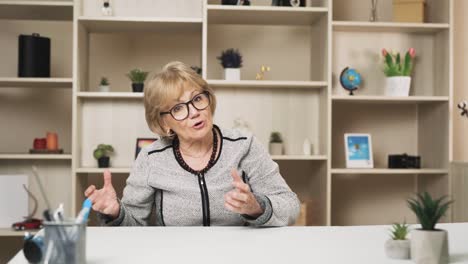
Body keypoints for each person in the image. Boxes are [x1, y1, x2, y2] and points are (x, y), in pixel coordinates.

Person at [84, 61, 300, 226]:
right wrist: (115, 212)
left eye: (197, 99)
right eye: (178, 108)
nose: (195, 112)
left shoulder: (244, 145)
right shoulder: (152, 158)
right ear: (163, 122)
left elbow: (290, 205)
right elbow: (134, 225)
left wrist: (258, 207)